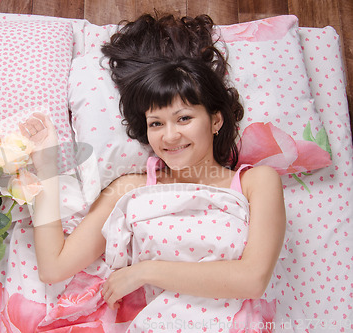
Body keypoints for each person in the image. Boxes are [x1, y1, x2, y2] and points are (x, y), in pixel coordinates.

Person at [20, 13, 286, 332]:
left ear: (216, 120)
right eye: (156, 124)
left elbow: (252, 280)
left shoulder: (256, 182)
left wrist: (144, 271)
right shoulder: (130, 189)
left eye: (184, 118)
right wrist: (47, 167)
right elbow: (54, 267)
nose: (169, 136)